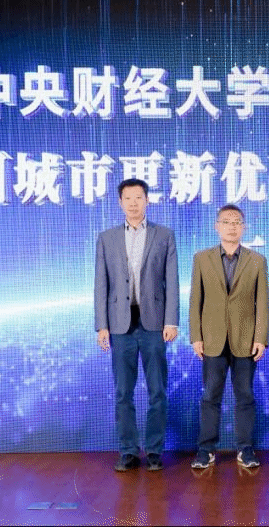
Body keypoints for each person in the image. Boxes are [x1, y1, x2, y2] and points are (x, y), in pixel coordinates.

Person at [95, 178, 179, 472]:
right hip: (120, 326)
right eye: (128, 198)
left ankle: (154, 450)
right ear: (120, 202)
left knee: (158, 391)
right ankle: (128, 451)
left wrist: (171, 320)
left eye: (138, 197)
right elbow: (101, 284)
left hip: (154, 323)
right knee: (123, 393)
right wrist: (102, 325)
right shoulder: (106, 238)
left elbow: (172, 282)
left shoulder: (164, 235)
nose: (133, 203)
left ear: (147, 201)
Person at [188, 204, 269, 469]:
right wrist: (196, 336)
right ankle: (206, 450)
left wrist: (261, 338)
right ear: (217, 226)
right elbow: (195, 300)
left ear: (244, 227)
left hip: (246, 339)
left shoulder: (257, 260)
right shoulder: (202, 259)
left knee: (245, 395)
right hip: (212, 339)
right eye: (226, 221)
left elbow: (262, 303)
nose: (232, 226)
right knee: (210, 395)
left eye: (237, 222)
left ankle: (245, 449)